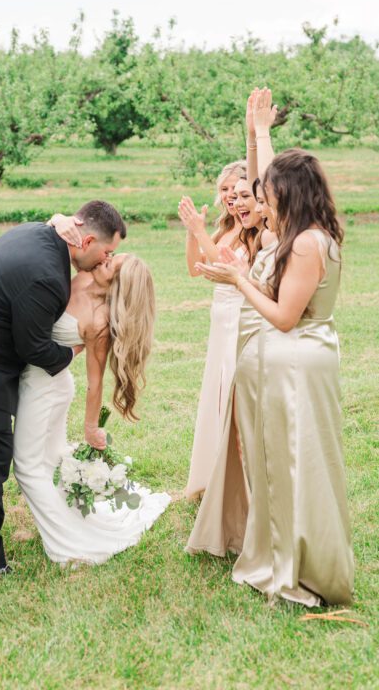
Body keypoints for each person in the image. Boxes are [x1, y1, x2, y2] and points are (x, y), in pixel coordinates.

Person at [0, 200, 127, 576]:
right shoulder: (48, 277)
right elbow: (31, 346)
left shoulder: (36, 232)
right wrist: (71, 353)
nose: (106, 259)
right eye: (106, 251)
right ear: (85, 240)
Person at [195, 148, 353, 605]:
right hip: (291, 363)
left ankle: (301, 565)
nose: (265, 201)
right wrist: (239, 275)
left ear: (291, 192)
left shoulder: (307, 242)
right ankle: (284, 552)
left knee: (296, 463)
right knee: (281, 465)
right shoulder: (305, 236)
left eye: (271, 192)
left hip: (298, 365)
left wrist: (241, 281)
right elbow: (281, 296)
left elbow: (285, 316)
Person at [13, 247, 171, 564]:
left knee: (26, 467)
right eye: (112, 255)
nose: (106, 259)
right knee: (48, 464)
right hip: (31, 377)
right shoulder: (81, 275)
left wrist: (90, 428)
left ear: (119, 284)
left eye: (114, 263)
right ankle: (74, 523)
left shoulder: (99, 321)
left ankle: (67, 544)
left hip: (48, 390)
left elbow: (95, 381)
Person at [186, 90, 278, 556]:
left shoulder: (269, 235)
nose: (239, 201)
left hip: (255, 330)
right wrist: (251, 130)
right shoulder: (244, 228)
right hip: (233, 323)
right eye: (234, 195)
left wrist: (256, 134)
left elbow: (266, 186)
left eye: (247, 195)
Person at [178, 159, 247, 500]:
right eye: (224, 190)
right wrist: (195, 232)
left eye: (236, 190)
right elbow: (196, 268)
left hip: (240, 319)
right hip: (220, 323)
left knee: (233, 396)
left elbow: (222, 266)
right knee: (215, 398)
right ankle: (214, 476)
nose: (230, 197)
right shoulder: (226, 228)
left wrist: (201, 231)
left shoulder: (253, 229)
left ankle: (237, 479)